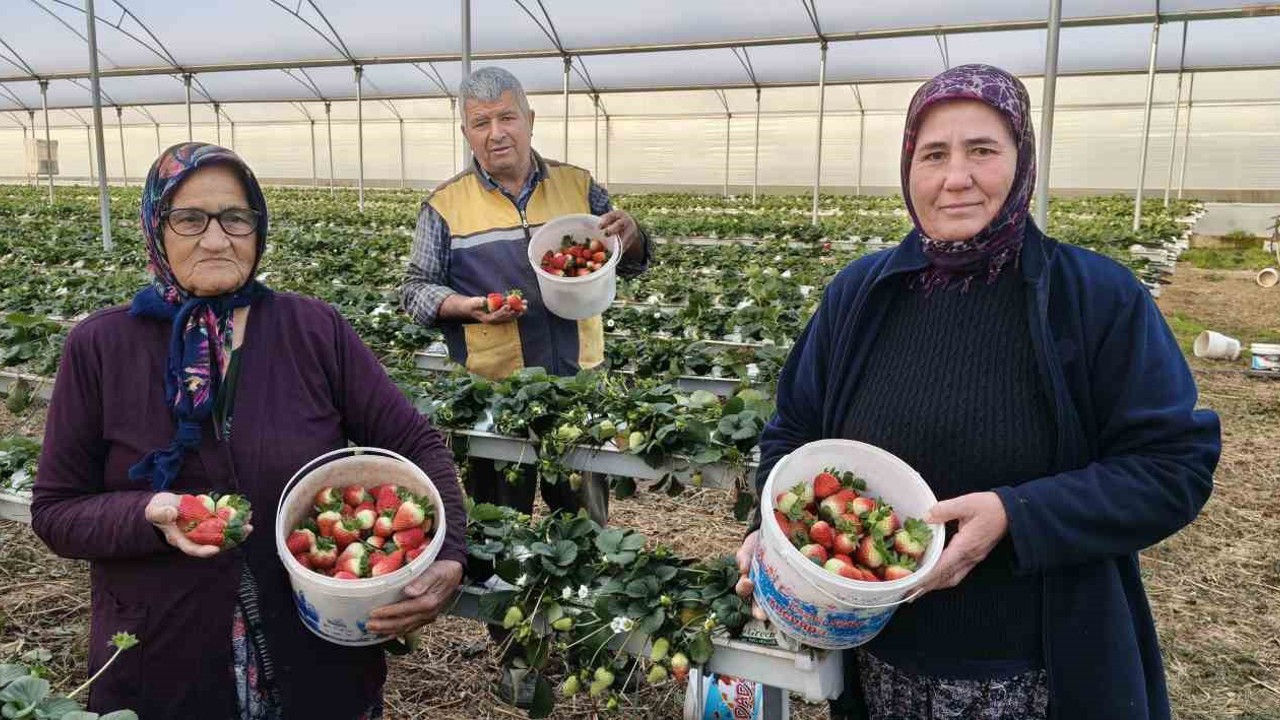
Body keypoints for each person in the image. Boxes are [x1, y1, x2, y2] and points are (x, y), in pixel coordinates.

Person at [733, 64, 1220, 720]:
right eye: (933, 154)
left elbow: (1173, 469)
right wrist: (775, 530)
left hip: (1034, 673)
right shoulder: (862, 295)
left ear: (1022, 162)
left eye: (982, 150)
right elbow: (792, 431)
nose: (955, 177)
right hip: (882, 662)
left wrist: (1017, 514)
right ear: (908, 168)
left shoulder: (1096, 299)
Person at [31, 142, 467, 720]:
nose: (216, 239)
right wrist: (149, 515)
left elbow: (414, 443)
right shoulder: (102, 346)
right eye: (189, 218)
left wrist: (450, 555)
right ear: (155, 226)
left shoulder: (313, 329)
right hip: (164, 652)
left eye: (236, 217)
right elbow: (56, 511)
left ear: (258, 227)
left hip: (317, 648)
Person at [400, 64, 650, 708]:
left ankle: (596, 642)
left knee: (587, 528)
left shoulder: (577, 186)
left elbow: (631, 251)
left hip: (576, 393)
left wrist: (632, 233)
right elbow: (414, 290)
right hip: (493, 402)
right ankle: (517, 657)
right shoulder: (444, 205)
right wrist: (465, 306)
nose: (495, 133)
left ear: (530, 121)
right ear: (466, 131)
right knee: (499, 531)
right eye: (480, 123)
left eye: (506, 117)